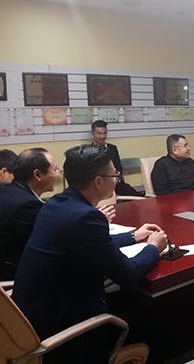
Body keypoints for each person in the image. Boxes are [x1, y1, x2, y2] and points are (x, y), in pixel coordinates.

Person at [12, 144, 168, 364]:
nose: (117, 180)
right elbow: (126, 273)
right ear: (98, 181)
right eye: (114, 175)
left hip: (36, 319)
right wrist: (153, 248)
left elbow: (88, 243)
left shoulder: (56, 203)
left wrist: (133, 236)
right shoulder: (86, 217)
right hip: (63, 335)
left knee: (136, 303)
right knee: (161, 319)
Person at [0, 148, 59, 280]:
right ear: (37, 175)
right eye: (55, 170)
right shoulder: (26, 205)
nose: (57, 175)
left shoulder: (5, 189)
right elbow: (53, 239)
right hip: (10, 276)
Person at [91, 120, 142, 196]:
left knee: (134, 194)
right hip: (99, 186)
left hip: (115, 182)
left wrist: (114, 178)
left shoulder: (112, 148)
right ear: (92, 134)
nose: (102, 136)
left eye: (104, 133)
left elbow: (118, 168)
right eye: (99, 133)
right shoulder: (89, 151)